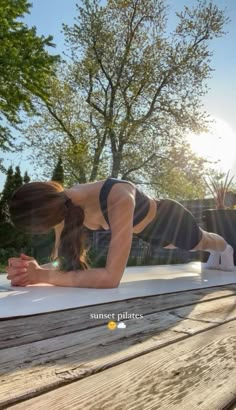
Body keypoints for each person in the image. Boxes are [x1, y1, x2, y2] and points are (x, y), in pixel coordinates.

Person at [6, 178, 234, 289]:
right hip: (148, 234)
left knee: (200, 241)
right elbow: (59, 263)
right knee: (183, 246)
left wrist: (43, 277)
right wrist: (34, 269)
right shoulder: (62, 208)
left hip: (171, 221)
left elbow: (110, 278)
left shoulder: (119, 198)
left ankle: (226, 249)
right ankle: (217, 255)